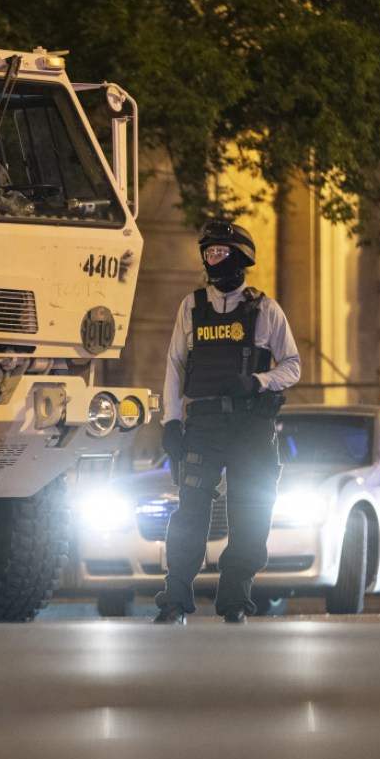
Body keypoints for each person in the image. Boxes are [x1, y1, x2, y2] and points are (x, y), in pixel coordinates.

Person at [154, 220, 301, 625]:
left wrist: (256, 381)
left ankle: (236, 599)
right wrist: (169, 423)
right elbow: (173, 367)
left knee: (251, 510)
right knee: (190, 512)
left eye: (218, 252)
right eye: (208, 253)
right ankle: (174, 600)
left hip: (250, 428)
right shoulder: (191, 306)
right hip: (203, 425)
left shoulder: (265, 309)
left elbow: (292, 367)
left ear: (240, 256)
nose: (211, 259)